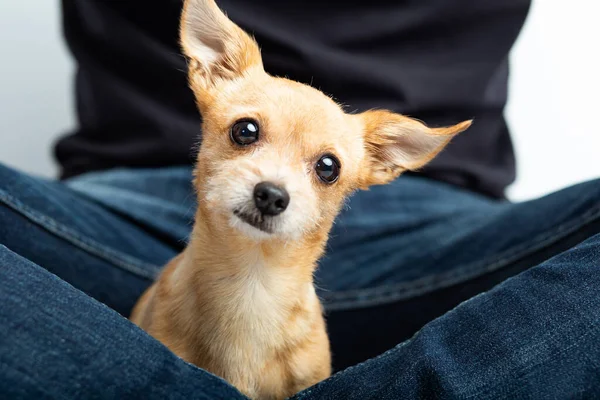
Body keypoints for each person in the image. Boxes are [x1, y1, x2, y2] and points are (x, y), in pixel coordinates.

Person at [1, 0, 599, 398]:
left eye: (325, 166)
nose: (274, 185)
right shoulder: (221, 67)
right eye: (247, 132)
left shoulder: (381, 157)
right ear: (209, 71)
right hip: (113, 212)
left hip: (448, 234)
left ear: (380, 161)